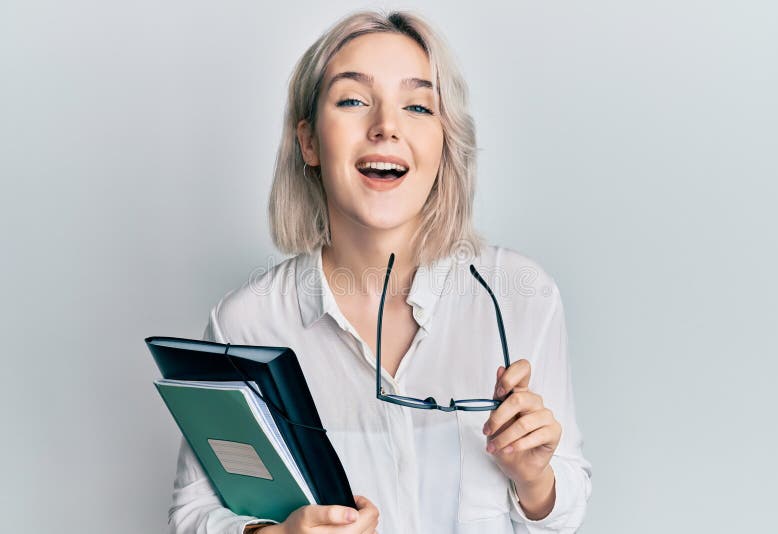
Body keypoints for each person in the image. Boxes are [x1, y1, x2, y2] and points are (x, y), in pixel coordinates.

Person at [167, 8, 592, 534]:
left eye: (417, 106)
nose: (386, 127)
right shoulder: (247, 323)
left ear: (445, 144)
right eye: (353, 100)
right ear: (308, 142)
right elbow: (194, 514)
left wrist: (534, 479)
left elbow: (565, 513)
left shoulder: (521, 299)